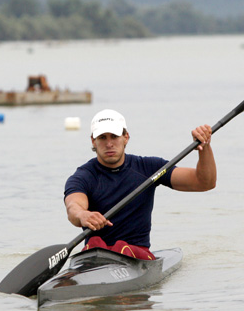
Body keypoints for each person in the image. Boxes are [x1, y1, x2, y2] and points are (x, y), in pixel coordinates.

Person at [64, 109, 216, 260]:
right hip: (95, 253)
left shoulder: (149, 168)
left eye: (114, 136)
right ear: (93, 141)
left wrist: (204, 147)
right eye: (102, 137)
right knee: (94, 243)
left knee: (121, 247)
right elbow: (73, 206)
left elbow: (204, 183)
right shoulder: (83, 176)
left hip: (136, 254)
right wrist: (82, 214)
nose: (109, 144)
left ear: (126, 137)